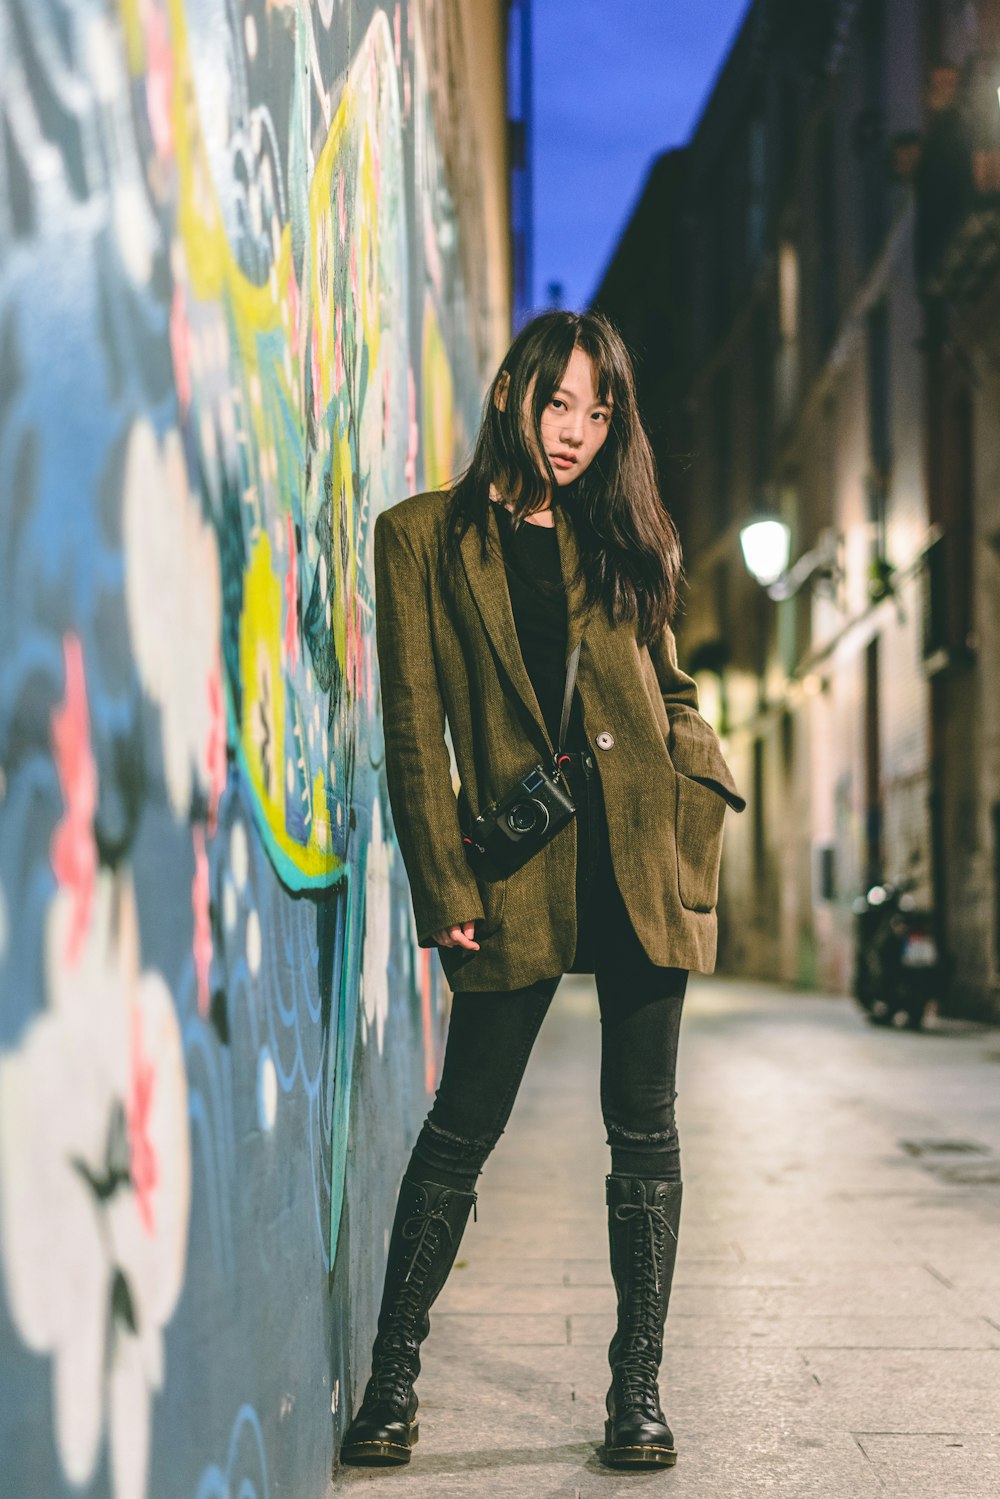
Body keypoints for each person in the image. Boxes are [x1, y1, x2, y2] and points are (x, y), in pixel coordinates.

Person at [339, 310, 745, 1472]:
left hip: (636, 852)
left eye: (596, 410)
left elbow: (666, 688)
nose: (573, 430)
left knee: (645, 1128)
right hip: (516, 861)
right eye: (557, 401)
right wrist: (442, 876)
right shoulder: (420, 535)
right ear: (513, 390)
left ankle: (636, 1389)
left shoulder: (614, 533)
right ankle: (393, 1378)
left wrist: (690, 775)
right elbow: (415, 725)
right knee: (462, 1125)